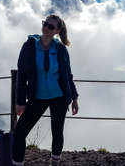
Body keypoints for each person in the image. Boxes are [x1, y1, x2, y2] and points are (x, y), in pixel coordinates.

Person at [12, 14, 79, 166]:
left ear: (57, 31)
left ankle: (54, 163)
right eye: (45, 24)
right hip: (37, 97)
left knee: (57, 133)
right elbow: (21, 76)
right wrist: (20, 102)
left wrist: (74, 98)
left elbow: (68, 76)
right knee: (19, 133)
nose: (46, 28)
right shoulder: (29, 46)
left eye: (51, 26)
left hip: (59, 97)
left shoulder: (61, 49)